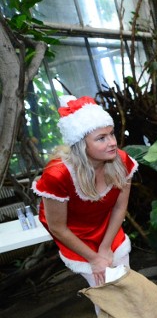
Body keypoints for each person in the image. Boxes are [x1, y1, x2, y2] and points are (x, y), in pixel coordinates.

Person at [33, 96, 136, 292]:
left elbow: (120, 207)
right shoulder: (58, 175)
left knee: (127, 288)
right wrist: (94, 258)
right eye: (101, 138)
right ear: (81, 144)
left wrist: (105, 248)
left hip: (109, 230)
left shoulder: (121, 160)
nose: (112, 142)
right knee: (105, 296)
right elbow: (57, 228)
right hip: (77, 239)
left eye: (111, 134)